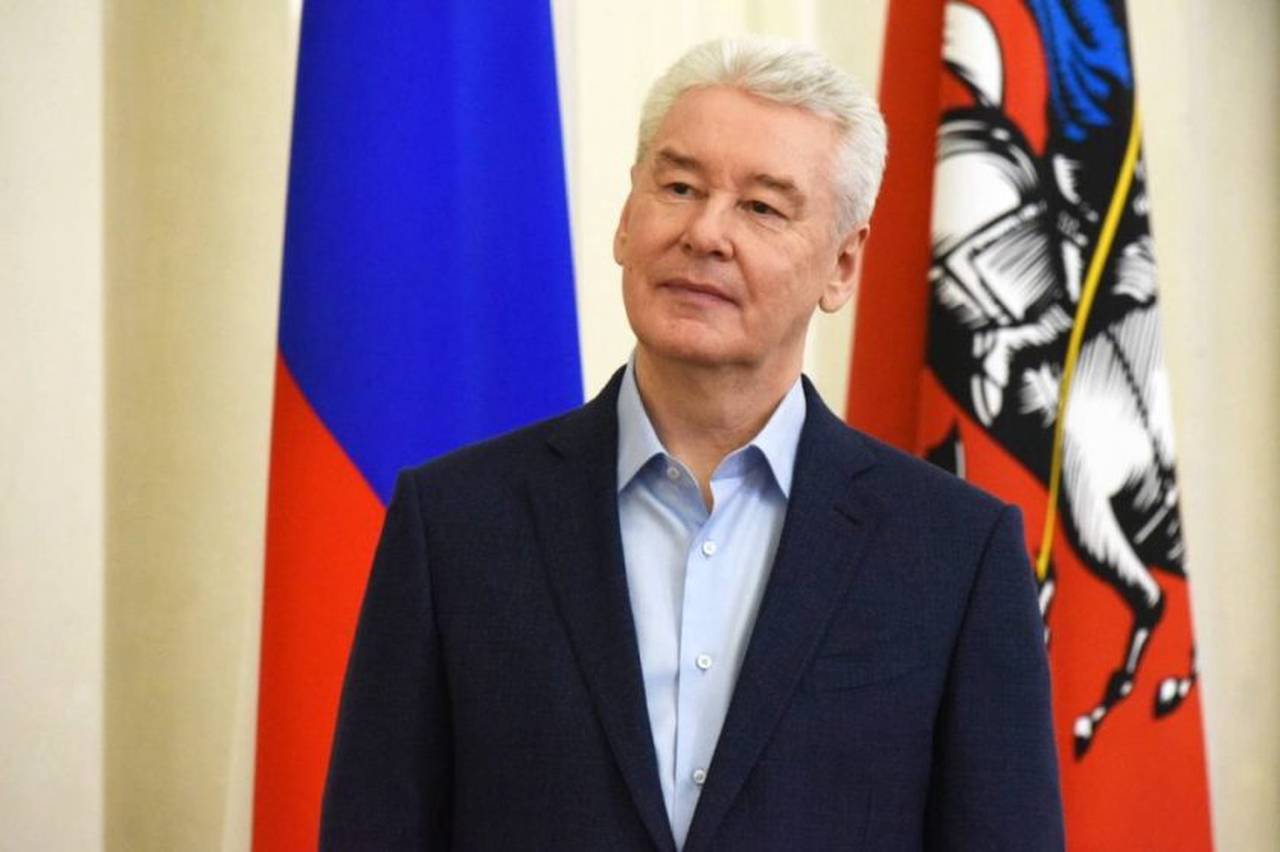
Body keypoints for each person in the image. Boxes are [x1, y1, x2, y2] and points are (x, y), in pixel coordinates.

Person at [320, 36, 1064, 851]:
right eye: (678, 187)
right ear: (625, 219)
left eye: (762, 207)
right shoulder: (455, 523)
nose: (706, 233)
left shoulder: (956, 553)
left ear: (843, 266)